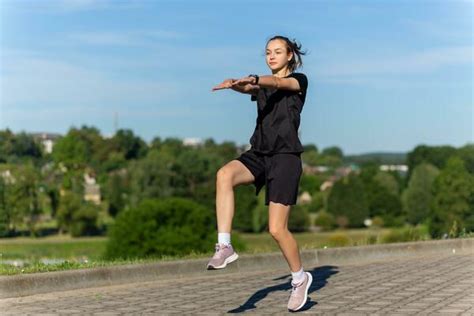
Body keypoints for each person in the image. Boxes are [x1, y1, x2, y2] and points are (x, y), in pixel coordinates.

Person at [208, 35, 312, 312]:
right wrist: (234, 84)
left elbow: (277, 82)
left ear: (289, 55)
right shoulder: (262, 86)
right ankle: (224, 246)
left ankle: (300, 278)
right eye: (268, 52)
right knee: (224, 175)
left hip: (286, 158)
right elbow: (250, 90)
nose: (271, 56)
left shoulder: (298, 81)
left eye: (278, 52)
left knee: (276, 229)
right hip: (259, 154)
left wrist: (254, 78)